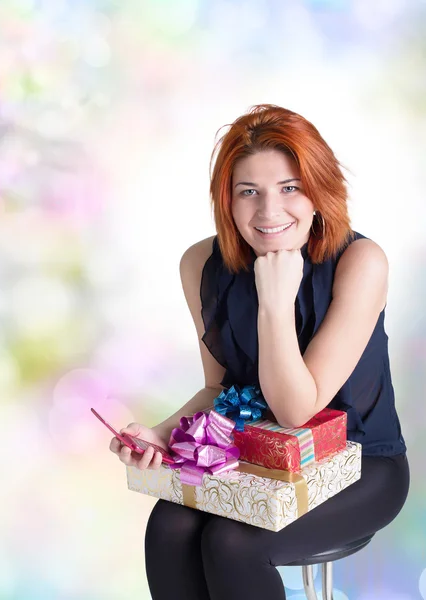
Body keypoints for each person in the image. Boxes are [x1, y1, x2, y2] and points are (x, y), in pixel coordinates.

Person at [108, 104, 410, 600]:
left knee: (233, 542)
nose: (269, 212)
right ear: (227, 201)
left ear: (320, 191)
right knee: (169, 526)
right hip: (257, 457)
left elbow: (296, 411)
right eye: (249, 192)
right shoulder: (202, 263)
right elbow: (219, 388)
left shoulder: (361, 261)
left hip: (360, 465)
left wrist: (274, 298)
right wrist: (163, 434)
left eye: (290, 188)